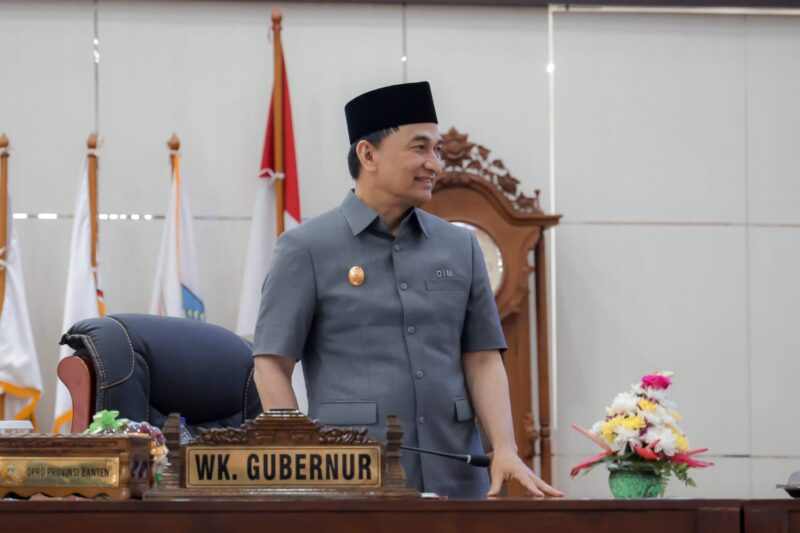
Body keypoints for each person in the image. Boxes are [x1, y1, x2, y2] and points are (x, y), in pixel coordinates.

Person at [253, 81, 562, 499]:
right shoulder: (305, 248)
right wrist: (300, 454)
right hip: (352, 481)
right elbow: (271, 363)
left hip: (459, 476)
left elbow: (483, 359)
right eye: (420, 148)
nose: (435, 164)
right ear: (368, 154)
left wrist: (505, 448)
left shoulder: (460, 246)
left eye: (437, 149)